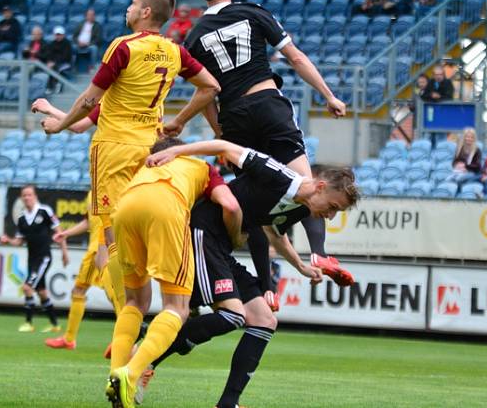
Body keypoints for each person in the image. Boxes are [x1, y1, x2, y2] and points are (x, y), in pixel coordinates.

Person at [35, 0, 220, 326]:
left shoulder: (123, 47)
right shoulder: (174, 52)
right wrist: (179, 121)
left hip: (115, 149)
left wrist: (59, 126)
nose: (128, 8)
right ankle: (162, 302)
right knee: (137, 233)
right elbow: (211, 87)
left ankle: (128, 319)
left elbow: (90, 100)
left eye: (134, 3)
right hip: (152, 149)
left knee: (112, 238)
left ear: (146, 12)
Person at [141, 140, 359, 408]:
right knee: (232, 315)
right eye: (334, 207)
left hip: (221, 247)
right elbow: (224, 146)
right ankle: (146, 356)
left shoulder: (300, 205)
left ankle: (227, 403)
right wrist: (174, 151)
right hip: (203, 232)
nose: (331, 216)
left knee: (264, 320)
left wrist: (301, 266)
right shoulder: (280, 176)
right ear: (321, 186)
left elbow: (275, 235)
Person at [186, 0, 354, 286]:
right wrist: (329, 95)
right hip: (267, 104)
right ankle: (318, 251)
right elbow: (296, 58)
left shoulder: (193, 38)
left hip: (233, 117)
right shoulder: (253, 11)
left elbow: (206, 94)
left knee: (260, 207)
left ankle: (266, 287)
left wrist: (222, 135)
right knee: (306, 184)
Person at [105, 137, 240, 408]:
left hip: (124, 209)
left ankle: (115, 377)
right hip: (166, 207)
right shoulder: (200, 166)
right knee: (176, 307)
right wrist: (235, 238)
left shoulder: (145, 166)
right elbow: (231, 205)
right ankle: (131, 374)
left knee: (134, 302)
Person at [45, 192, 124, 350]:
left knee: (108, 292)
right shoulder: (92, 193)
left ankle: (125, 338)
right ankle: (125, 337)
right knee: (88, 291)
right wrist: (66, 233)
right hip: (96, 248)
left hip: (102, 249)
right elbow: (88, 222)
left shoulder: (110, 188)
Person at [0, 185, 69, 333]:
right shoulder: (22, 219)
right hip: (31, 260)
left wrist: (64, 253)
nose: (27, 198)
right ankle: (55, 324)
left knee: (27, 287)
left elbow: (59, 232)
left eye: (29, 195)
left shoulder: (45, 211)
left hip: (44, 257)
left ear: (35, 196)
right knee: (42, 292)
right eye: (24, 195)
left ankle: (29, 323)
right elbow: (19, 242)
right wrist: (8, 240)